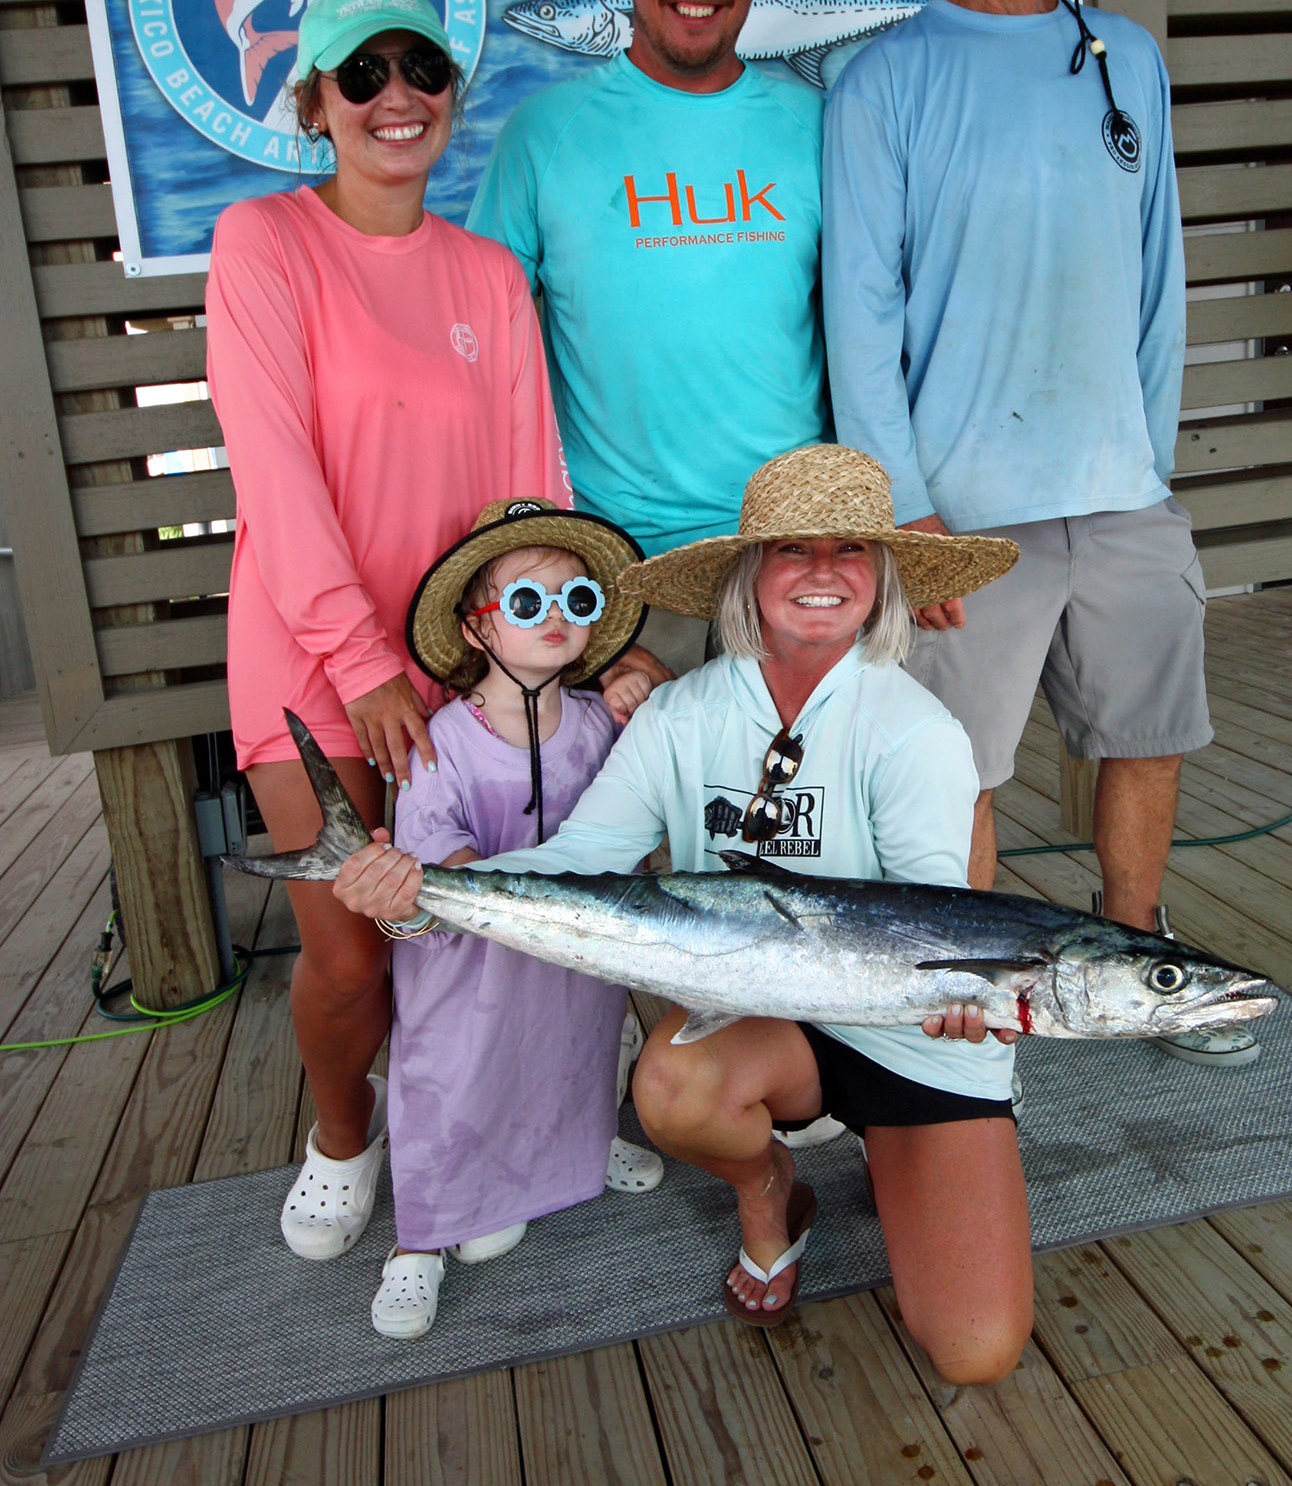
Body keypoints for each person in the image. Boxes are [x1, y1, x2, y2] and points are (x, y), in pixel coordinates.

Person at [334, 446, 1032, 1381]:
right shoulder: (681, 714)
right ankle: (768, 1189)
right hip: (765, 1021)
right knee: (670, 1086)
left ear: (883, 581)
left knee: (977, 1349)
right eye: (793, 549)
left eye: (850, 551)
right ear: (749, 575)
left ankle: (898, 1148)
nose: (823, 573)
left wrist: (956, 998)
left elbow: (932, 928)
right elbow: (576, 864)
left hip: (914, 1034)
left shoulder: (915, 730)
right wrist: (417, 900)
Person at [823, 0, 1249, 1066]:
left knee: (1149, 733)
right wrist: (908, 517)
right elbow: (863, 313)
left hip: (1121, 491)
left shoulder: (1130, 57)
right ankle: (983, 997)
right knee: (962, 772)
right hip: (965, 515)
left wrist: (1150, 458)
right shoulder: (878, 79)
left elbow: (1156, 281)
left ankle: (1141, 955)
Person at [205, 0, 645, 1273]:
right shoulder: (262, 243)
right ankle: (346, 1136)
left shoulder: (488, 273)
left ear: (453, 94)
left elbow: (533, 496)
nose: (397, 95)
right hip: (311, 663)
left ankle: (535, 1124)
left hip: (475, 665)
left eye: (424, 69)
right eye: (363, 74)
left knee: (503, 924)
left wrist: (569, 658)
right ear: (315, 103)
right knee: (350, 949)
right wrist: (361, 661)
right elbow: (273, 472)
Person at [470, 0, 828, 681]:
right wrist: (539, 558)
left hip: (794, 555)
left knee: (809, 815)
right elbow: (483, 363)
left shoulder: (819, 125)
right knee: (644, 818)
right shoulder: (542, 134)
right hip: (623, 577)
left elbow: (872, 329)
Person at [363, 497, 663, 1339]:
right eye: (529, 602)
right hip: (466, 966)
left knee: (573, 1052)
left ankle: (576, 1153)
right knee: (453, 1077)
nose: (557, 619)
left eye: (579, 600)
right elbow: (436, 855)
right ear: (476, 627)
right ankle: (418, 1237)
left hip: (574, 960)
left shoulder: (605, 723)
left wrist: (650, 692)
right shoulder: (440, 743)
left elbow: (655, 789)